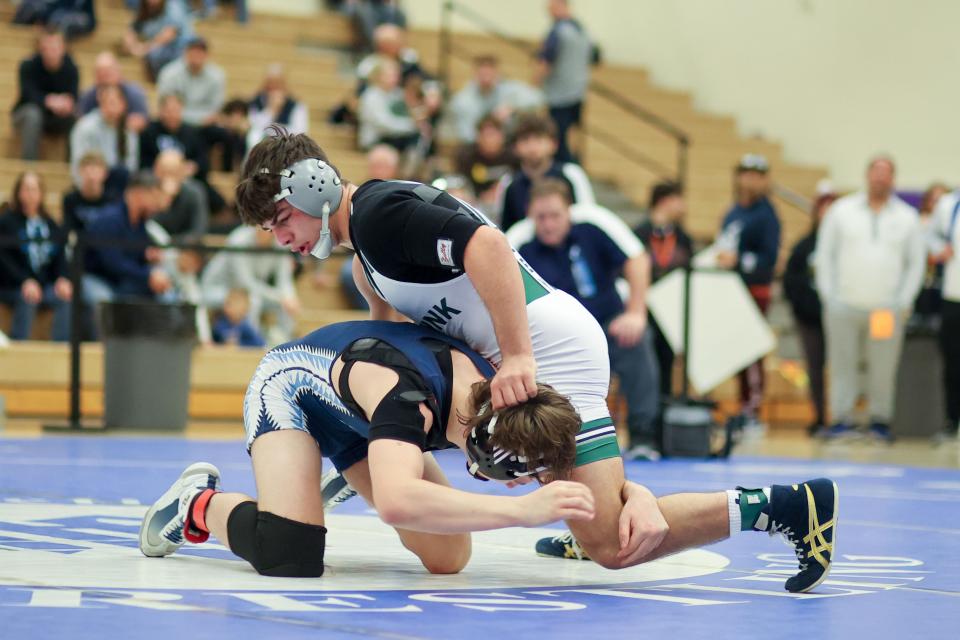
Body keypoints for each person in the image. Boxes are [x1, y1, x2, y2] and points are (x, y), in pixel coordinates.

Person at [140, 319, 839, 595]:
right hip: (296, 389)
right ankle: (199, 504)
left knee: (448, 560)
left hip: (369, 413)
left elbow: (584, 474)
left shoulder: (517, 405)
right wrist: (520, 510)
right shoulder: (410, 404)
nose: (495, 477)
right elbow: (400, 501)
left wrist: (642, 498)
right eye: (495, 471)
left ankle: (360, 468)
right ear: (478, 435)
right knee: (292, 552)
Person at [234, 127, 644, 570]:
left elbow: (488, 245)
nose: (280, 238)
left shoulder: (378, 215)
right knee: (552, 498)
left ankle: (643, 507)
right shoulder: (365, 260)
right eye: (269, 228)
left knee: (602, 535)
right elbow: (389, 351)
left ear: (315, 187)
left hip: (542, 348)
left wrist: (519, 355)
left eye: (282, 219)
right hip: (508, 354)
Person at [513, 179, 660, 461]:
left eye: (555, 216)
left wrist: (636, 312)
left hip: (608, 325)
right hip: (552, 339)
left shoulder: (593, 224)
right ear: (531, 215)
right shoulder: (518, 241)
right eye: (540, 217)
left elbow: (638, 259)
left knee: (637, 339)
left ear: (570, 211)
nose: (548, 224)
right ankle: (538, 441)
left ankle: (643, 437)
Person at [815, 156, 925, 441]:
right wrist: (829, 296)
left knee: (883, 368)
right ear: (867, 176)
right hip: (844, 305)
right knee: (842, 364)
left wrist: (904, 301)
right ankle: (841, 419)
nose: (880, 178)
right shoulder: (842, 211)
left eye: (886, 173)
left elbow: (916, 263)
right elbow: (824, 256)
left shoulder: (906, 217)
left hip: (885, 310)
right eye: (876, 172)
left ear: (893, 179)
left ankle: (880, 420)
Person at [714, 154, 781, 432]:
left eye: (756, 175)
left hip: (754, 289)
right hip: (733, 289)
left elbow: (768, 259)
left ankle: (753, 407)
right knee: (738, 350)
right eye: (745, 174)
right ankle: (743, 403)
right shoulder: (734, 212)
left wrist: (738, 261)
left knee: (751, 350)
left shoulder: (767, 216)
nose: (750, 180)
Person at [783, 189, 837, 436]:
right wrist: (803, 307)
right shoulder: (805, 245)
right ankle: (819, 416)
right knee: (814, 369)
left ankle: (840, 417)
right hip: (810, 318)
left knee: (838, 369)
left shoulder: (844, 248)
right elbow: (790, 280)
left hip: (837, 316)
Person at [634, 181, 694, 397]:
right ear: (665, 201)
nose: (683, 206)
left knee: (667, 364)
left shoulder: (683, 238)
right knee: (644, 365)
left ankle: (664, 418)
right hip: (644, 310)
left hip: (671, 311)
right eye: (679, 200)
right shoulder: (638, 234)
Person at [82, 171, 174, 310]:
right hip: (96, 277)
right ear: (138, 193)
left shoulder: (141, 222)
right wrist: (148, 275)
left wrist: (147, 256)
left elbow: (135, 255)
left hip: (123, 279)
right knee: (105, 302)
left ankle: (158, 332)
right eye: (154, 196)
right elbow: (112, 262)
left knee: (167, 294)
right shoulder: (109, 219)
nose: (156, 202)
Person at [0, 172, 71, 342]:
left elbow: (60, 255)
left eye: (35, 189)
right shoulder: (7, 222)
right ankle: (19, 344)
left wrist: (62, 278)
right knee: (28, 297)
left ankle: (61, 349)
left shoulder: (50, 224)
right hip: (13, 286)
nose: (31, 194)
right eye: (26, 189)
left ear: (41, 193)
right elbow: (3, 259)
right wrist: (24, 281)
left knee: (66, 297)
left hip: (44, 285)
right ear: (18, 192)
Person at [200, 225, 300, 344]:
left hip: (248, 291)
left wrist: (289, 297)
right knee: (254, 301)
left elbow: (284, 279)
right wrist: (280, 297)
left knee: (287, 305)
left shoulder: (281, 243)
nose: (263, 230)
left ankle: (284, 345)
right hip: (217, 288)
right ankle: (253, 347)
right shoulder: (238, 239)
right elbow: (246, 282)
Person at [498, 113, 594, 231]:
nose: (532, 147)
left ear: (554, 144)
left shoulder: (571, 174)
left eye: (539, 139)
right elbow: (506, 230)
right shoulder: (509, 184)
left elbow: (588, 217)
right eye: (525, 140)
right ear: (515, 147)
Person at [535, 0, 595, 164]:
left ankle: (566, 167)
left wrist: (536, 82)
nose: (549, 12)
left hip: (559, 95)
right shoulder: (583, 31)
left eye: (552, 8)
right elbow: (595, 57)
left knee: (558, 139)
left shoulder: (558, 31)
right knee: (572, 136)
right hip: (578, 93)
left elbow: (545, 61)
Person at [11, 27, 78, 161]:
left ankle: (71, 166)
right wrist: (48, 101)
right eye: (47, 47)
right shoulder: (28, 65)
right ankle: (29, 165)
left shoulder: (71, 68)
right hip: (26, 114)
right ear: (40, 48)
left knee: (75, 119)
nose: (51, 52)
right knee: (33, 114)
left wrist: (65, 104)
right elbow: (27, 94)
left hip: (56, 116)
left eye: (55, 47)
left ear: (63, 48)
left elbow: (73, 96)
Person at [926, 184, 960, 440]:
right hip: (954, 295)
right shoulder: (949, 204)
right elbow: (931, 235)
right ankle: (952, 421)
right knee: (953, 363)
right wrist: (940, 250)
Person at [448, 55, 543, 143]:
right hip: (475, 146)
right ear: (475, 73)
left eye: (489, 74)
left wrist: (512, 107)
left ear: (497, 73)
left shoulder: (508, 89)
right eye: (482, 74)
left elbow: (537, 98)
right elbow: (465, 134)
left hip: (506, 145)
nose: (486, 79)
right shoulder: (463, 100)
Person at [69, 84, 140, 190]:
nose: (111, 107)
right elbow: (78, 163)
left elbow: (132, 166)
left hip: (119, 187)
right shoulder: (86, 127)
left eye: (115, 102)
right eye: (108, 102)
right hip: (91, 185)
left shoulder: (128, 131)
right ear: (100, 103)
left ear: (123, 105)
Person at [454, 115, 516, 213]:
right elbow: (461, 184)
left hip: (506, 204)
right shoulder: (468, 157)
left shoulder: (512, 157)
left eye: (492, 135)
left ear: (502, 136)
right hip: (476, 205)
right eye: (485, 135)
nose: (489, 140)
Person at [76, 52, 149, 134]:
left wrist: (114, 122)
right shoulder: (89, 95)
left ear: (118, 71)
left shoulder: (134, 93)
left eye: (108, 72)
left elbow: (141, 120)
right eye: (100, 73)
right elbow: (81, 122)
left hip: (125, 136)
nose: (105, 77)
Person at [122, 0, 195, 80]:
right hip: (158, 50)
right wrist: (133, 47)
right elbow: (132, 30)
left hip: (180, 48)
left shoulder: (173, 5)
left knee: (155, 54)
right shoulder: (145, 10)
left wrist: (144, 48)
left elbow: (170, 32)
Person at [247, 64, 310, 150]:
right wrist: (271, 110)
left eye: (277, 83)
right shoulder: (256, 102)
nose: (273, 88)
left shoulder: (296, 105)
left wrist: (274, 131)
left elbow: (300, 132)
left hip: (286, 147)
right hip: (261, 146)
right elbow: (254, 126)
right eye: (270, 83)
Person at [61, 151, 125, 234]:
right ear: (80, 171)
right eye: (88, 171)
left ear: (105, 173)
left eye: (95, 171)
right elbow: (68, 229)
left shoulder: (113, 200)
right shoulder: (70, 199)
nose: (91, 176)